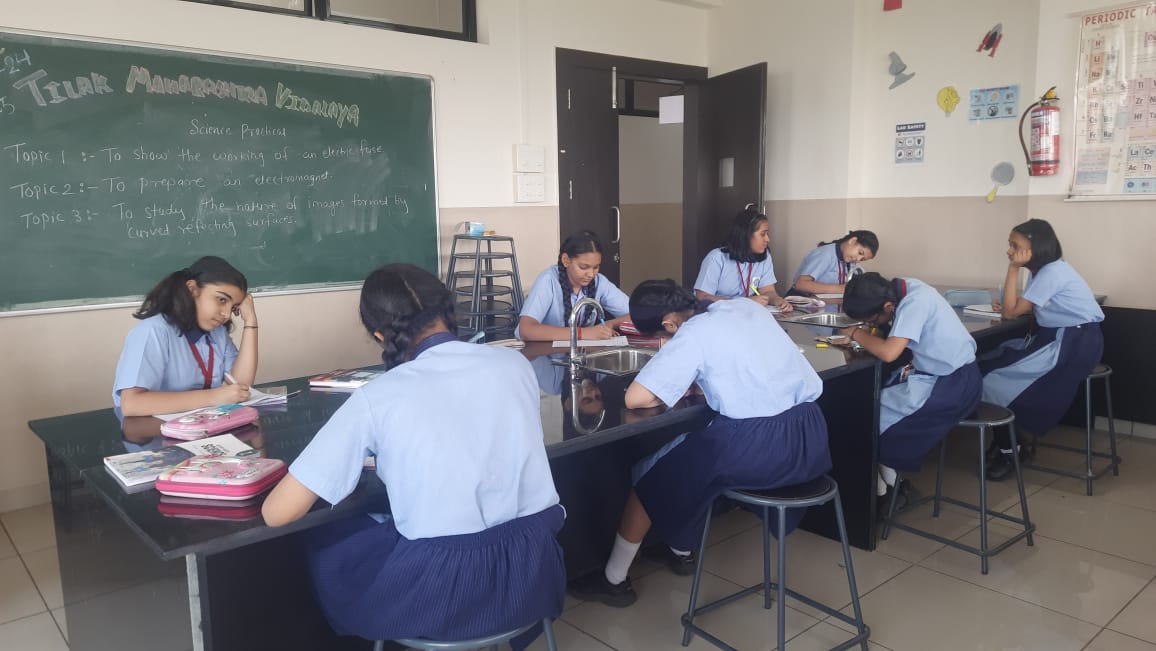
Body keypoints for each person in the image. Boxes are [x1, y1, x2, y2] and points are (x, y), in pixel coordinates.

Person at [262, 263, 565, 648]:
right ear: (447, 311)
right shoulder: (514, 364)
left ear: (379, 335)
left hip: (444, 590)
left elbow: (277, 513)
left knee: (328, 538)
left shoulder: (378, 396)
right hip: (532, 571)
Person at [568, 279, 830, 607]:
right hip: (810, 435)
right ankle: (680, 552)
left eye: (663, 337)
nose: (666, 343)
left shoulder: (692, 332)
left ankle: (613, 581)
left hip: (758, 446)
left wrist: (673, 385)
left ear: (669, 324)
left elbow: (635, 398)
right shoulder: (744, 306)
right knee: (693, 459)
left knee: (649, 475)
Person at [979, 219, 1104, 480]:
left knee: (992, 381)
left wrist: (1013, 269)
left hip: (1072, 344)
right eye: (1010, 245)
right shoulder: (1045, 270)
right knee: (989, 363)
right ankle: (1007, 440)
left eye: (1015, 246)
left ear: (1036, 247)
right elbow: (1022, 307)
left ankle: (1011, 449)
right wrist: (1013, 304)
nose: (1009, 251)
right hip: (1065, 338)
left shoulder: (1051, 272)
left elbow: (1011, 312)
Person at [840, 273, 981, 503]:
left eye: (872, 320)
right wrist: (873, 331)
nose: (872, 325)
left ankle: (886, 493)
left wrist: (855, 332)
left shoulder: (915, 302)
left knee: (868, 416)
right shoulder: (906, 288)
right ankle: (892, 484)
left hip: (952, 385)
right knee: (868, 403)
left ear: (888, 306)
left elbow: (889, 352)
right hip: (939, 375)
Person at [113, 256, 257, 417]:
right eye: (222, 300)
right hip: (152, 429)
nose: (227, 314)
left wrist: (250, 321)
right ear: (192, 289)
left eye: (234, 307)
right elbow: (131, 404)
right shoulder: (153, 331)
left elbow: (239, 388)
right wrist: (212, 397)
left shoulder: (218, 333)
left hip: (201, 426)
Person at [517, 231, 631, 341]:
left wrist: (609, 324)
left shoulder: (599, 282)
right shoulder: (548, 280)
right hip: (541, 351)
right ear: (566, 260)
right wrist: (583, 333)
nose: (591, 274)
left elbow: (636, 314)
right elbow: (526, 330)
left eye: (596, 267)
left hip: (578, 351)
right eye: (583, 267)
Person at [693, 208, 792, 312]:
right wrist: (744, 302)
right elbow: (702, 297)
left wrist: (777, 300)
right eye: (762, 234)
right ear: (746, 235)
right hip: (718, 314)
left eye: (767, 234)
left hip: (747, 314)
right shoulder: (716, 258)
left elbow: (767, 291)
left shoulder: (764, 256)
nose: (767, 239)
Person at [789, 230, 879, 296]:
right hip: (799, 305)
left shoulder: (851, 263)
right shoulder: (825, 254)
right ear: (852, 241)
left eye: (862, 259)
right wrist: (841, 289)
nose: (858, 259)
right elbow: (801, 284)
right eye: (860, 253)